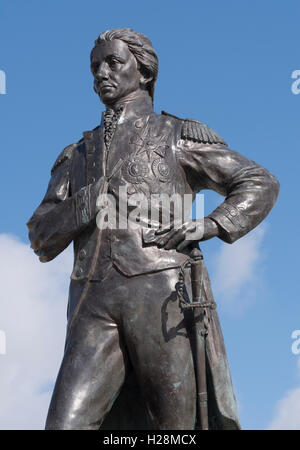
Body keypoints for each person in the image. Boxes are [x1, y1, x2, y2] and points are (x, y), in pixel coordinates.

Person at [27, 28, 279, 430]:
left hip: (164, 299)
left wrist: (211, 224)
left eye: (113, 62)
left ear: (143, 72)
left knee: (174, 427)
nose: (100, 73)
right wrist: (87, 202)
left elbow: (259, 182)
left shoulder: (176, 135)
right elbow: (40, 235)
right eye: (95, 66)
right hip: (93, 301)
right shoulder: (76, 155)